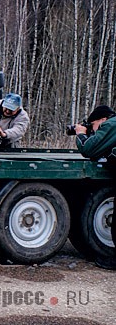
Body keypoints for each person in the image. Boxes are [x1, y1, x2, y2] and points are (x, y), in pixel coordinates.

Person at [74, 105, 116, 270]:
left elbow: (89, 149)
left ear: (103, 119)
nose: (93, 129)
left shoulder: (110, 124)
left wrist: (81, 133)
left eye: (93, 125)